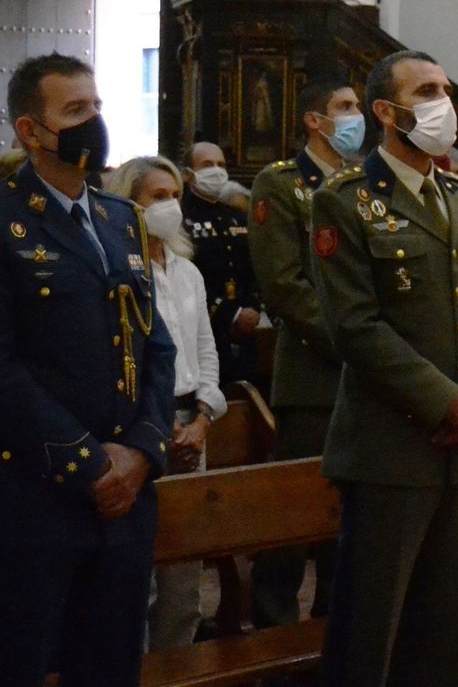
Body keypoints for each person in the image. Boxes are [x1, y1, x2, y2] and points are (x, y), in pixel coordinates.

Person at [0, 52, 175, 685]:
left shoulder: (120, 219)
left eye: (96, 106)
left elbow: (155, 346)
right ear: (30, 130)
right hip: (31, 500)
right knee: (18, 668)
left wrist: (141, 451)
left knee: (110, 669)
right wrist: (90, 464)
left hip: (123, 502)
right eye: (75, 111)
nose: (93, 122)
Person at [313, 50, 458, 685]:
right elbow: (355, 327)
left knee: (442, 627)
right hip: (391, 449)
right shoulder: (345, 201)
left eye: (444, 90)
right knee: (371, 630)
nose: (442, 103)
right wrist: (446, 401)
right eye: (426, 92)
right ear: (386, 111)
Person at [246, 79, 362, 628]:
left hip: (366, 377)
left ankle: (336, 632)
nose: (357, 116)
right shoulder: (282, 183)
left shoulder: (362, 183)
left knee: (348, 521)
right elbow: (285, 286)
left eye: (358, 106)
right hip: (315, 375)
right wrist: (358, 342)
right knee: (295, 514)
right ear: (315, 121)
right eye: (345, 107)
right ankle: (273, 632)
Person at [104, 156, 227, 651]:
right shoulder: (116, 270)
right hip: (140, 428)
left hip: (191, 424)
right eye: (157, 197)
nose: (170, 206)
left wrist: (202, 418)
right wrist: (156, 425)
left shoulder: (187, 272)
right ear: (129, 203)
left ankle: (178, 668)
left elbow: (205, 351)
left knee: (184, 574)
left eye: (175, 195)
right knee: (141, 578)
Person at [182, 142, 262, 384]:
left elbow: (253, 267)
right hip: (201, 331)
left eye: (221, 165)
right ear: (188, 175)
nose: (216, 171)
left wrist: (252, 308)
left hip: (244, 333)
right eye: (207, 165)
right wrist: (230, 314)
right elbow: (185, 278)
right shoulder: (182, 217)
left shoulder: (236, 216)